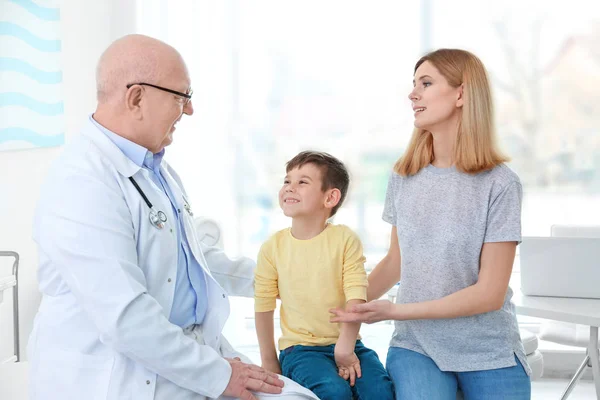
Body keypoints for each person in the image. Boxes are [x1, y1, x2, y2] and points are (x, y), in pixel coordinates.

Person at [29, 34, 317, 400]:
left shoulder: (152, 168)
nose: (189, 110)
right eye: (181, 97)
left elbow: (189, 261)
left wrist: (280, 279)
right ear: (136, 98)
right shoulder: (82, 181)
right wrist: (220, 375)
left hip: (184, 352)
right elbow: (126, 317)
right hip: (125, 373)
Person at [330, 49, 532, 399]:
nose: (413, 94)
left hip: (489, 349)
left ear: (461, 94)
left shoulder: (500, 184)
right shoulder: (404, 176)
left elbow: (490, 294)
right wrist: (346, 307)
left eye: (425, 83)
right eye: (413, 84)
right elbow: (396, 263)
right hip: (417, 347)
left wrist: (397, 310)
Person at [254, 151, 394, 400]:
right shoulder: (272, 248)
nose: (289, 188)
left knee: (379, 390)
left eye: (302, 182)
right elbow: (263, 306)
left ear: (330, 197)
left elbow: (356, 296)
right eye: (287, 181)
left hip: (349, 343)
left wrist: (345, 347)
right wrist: (269, 360)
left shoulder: (344, 239)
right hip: (300, 350)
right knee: (333, 391)